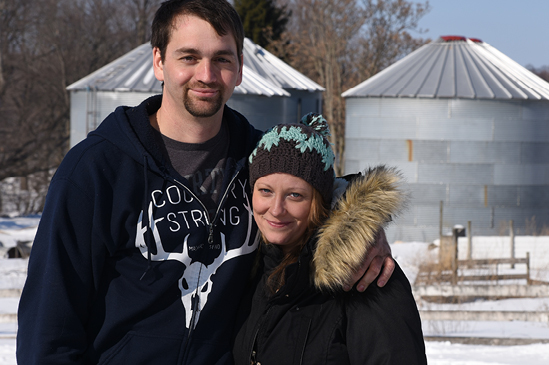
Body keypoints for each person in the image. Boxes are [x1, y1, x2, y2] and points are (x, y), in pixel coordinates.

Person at [17, 0, 393, 363]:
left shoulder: (260, 160)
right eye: (189, 57)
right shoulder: (97, 169)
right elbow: (48, 323)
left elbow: (312, 189)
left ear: (240, 68)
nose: (207, 75)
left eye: (222, 59)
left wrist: (359, 219)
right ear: (159, 62)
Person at [232, 114, 427, 365]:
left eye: (295, 195)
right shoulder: (248, 270)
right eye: (266, 191)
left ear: (319, 202)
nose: (277, 209)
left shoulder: (366, 274)